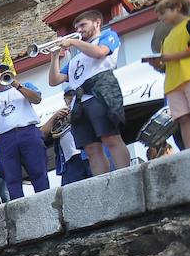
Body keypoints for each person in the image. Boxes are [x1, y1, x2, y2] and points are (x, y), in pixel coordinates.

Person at [48, 10, 130, 175]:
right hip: (79, 103)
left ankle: (126, 174)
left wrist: (72, 42)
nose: (79, 30)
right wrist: (54, 57)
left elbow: (99, 52)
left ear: (97, 23)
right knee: (91, 148)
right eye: (76, 27)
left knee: (111, 138)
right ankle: (103, 183)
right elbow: (54, 80)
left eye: (83, 25)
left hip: (99, 94)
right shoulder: (75, 60)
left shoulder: (107, 36)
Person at [0, 63, 50, 201]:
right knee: (12, 178)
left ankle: (46, 201)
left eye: (3, 72)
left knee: (38, 171)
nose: (0, 75)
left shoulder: (25, 85)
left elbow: (37, 99)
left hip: (28, 131)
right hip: (5, 138)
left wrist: (16, 85)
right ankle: (19, 210)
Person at [144, 0, 190, 154]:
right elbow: (166, 64)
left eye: (163, 13)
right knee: (183, 119)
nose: (160, 18)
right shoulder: (166, 39)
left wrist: (171, 56)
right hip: (173, 83)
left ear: (177, 7)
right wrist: (157, 64)